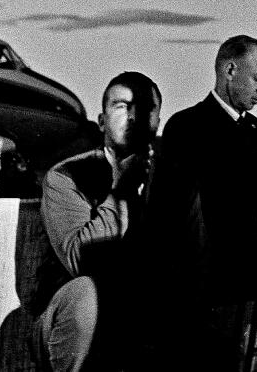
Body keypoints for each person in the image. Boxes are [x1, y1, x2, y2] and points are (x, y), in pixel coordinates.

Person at [150, 35, 257, 370]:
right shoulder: (188, 127)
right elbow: (191, 215)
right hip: (213, 295)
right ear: (230, 69)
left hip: (253, 291)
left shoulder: (256, 132)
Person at [34, 71, 161, 372]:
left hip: (148, 315)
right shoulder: (66, 176)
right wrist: (122, 188)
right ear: (102, 121)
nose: (132, 116)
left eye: (144, 108)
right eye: (121, 106)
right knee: (85, 294)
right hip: (84, 320)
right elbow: (81, 258)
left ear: (156, 121)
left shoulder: (172, 177)